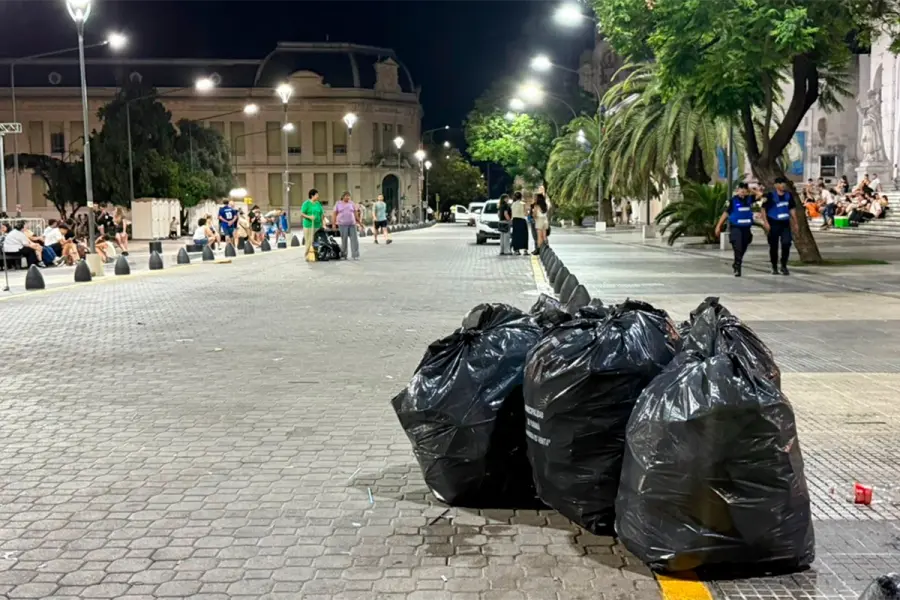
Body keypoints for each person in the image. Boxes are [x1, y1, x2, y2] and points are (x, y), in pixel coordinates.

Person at [715, 183, 755, 277]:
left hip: (746, 228)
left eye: (744, 189)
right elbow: (726, 214)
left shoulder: (750, 199)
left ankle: (737, 262)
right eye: (741, 189)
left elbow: (760, 195)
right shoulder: (732, 201)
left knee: (744, 246)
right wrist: (718, 226)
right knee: (738, 246)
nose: (742, 191)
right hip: (736, 227)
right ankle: (737, 266)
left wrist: (751, 190)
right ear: (737, 190)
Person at [760, 177, 798, 276]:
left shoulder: (788, 196)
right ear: (776, 185)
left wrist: (795, 223)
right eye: (781, 184)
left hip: (785, 223)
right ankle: (774, 266)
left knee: (786, 243)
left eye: (784, 184)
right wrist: (766, 223)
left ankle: (784, 265)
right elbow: (763, 209)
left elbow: (792, 209)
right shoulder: (770, 196)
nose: (783, 186)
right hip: (773, 223)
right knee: (774, 246)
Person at [332, 191, 361, 260]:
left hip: (352, 224)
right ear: (343, 196)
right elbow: (334, 214)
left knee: (354, 239)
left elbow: (355, 213)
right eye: (346, 196)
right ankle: (344, 254)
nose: (347, 197)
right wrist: (333, 224)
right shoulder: (338, 204)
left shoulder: (351, 203)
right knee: (344, 239)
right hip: (342, 224)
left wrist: (359, 222)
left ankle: (355, 254)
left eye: (348, 196)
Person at [300, 189, 324, 261]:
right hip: (308, 225)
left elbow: (321, 214)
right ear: (312, 195)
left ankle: (315, 255)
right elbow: (302, 214)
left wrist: (322, 223)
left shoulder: (318, 204)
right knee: (309, 241)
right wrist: (309, 217)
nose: (318, 196)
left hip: (317, 225)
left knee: (316, 241)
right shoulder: (306, 204)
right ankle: (307, 255)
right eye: (317, 195)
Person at [510, 191, 528, 256]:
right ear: (521, 197)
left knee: (516, 235)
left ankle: (516, 250)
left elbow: (511, 214)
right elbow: (526, 213)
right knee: (524, 235)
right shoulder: (523, 204)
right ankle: (525, 250)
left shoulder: (513, 204)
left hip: (515, 221)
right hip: (522, 220)